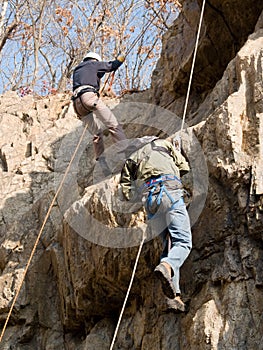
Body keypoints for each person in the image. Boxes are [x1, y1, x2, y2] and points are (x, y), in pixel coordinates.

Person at [120, 137, 192, 312]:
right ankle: (167, 266)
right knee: (182, 242)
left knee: (169, 244)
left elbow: (126, 191)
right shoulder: (164, 144)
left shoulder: (131, 158)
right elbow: (184, 167)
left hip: (150, 200)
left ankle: (174, 298)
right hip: (170, 191)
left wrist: (138, 194)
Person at [72, 52, 127, 160]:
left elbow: (95, 74)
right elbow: (112, 65)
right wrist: (121, 58)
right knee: (113, 125)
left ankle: (101, 162)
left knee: (97, 133)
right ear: (95, 60)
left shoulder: (78, 69)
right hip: (89, 97)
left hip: (77, 105)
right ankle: (126, 153)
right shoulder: (93, 64)